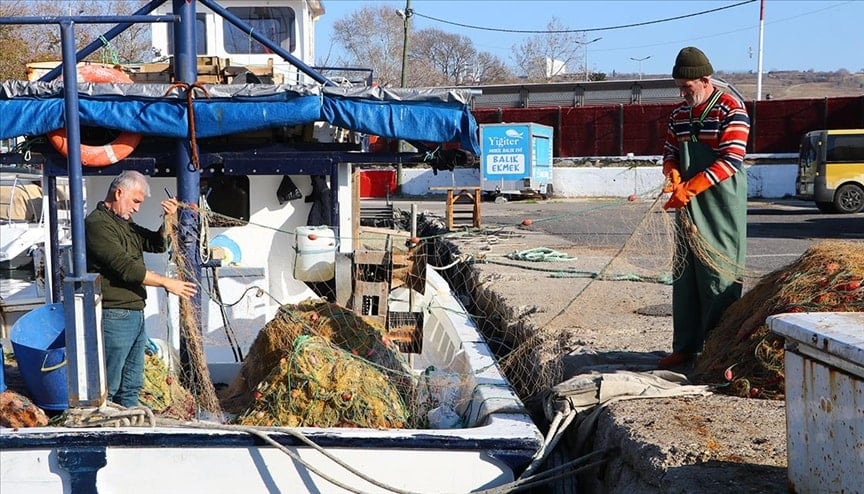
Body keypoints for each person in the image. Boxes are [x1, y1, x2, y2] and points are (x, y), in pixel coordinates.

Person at [658, 47, 751, 370]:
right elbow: (669, 151)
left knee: (719, 275)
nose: (683, 94)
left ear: (706, 80)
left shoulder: (731, 109)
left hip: (720, 202)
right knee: (685, 275)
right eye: (680, 88)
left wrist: (691, 187)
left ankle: (719, 351)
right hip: (688, 205)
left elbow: (731, 159)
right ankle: (685, 347)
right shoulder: (679, 115)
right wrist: (672, 175)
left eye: (688, 88)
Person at [85, 170, 197, 407]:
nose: (136, 208)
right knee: (111, 384)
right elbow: (127, 269)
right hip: (115, 314)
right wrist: (168, 282)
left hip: (134, 312)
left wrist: (169, 219)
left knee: (131, 384)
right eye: (135, 201)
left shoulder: (124, 223)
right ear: (119, 193)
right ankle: (104, 427)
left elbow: (156, 244)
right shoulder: (97, 224)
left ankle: (129, 429)